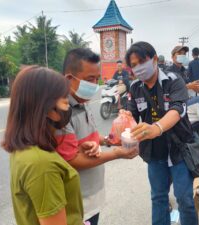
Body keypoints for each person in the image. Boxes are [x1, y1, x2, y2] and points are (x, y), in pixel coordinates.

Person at [57, 48, 138, 225]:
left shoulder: (82, 101)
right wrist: (117, 153)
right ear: (69, 79)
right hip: (77, 202)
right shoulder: (60, 112)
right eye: (89, 79)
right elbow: (71, 160)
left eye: (96, 78)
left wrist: (109, 140)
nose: (94, 84)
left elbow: (90, 135)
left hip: (92, 196)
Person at [126, 41, 198, 225]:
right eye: (133, 65)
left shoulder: (174, 80)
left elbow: (178, 110)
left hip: (179, 150)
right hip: (154, 153)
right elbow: (131, 116)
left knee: (185, 200)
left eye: (141, 62)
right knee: (158, 198)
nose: (138, 68)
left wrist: (156, 128)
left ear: (155, 59)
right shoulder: (135, 88)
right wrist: (124, 121)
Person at [2, 66, 84, 225]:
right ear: (48, 108)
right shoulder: (42, 164)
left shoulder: (26, 150)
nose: (69, 109)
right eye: (65, 101)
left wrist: (80, 148)